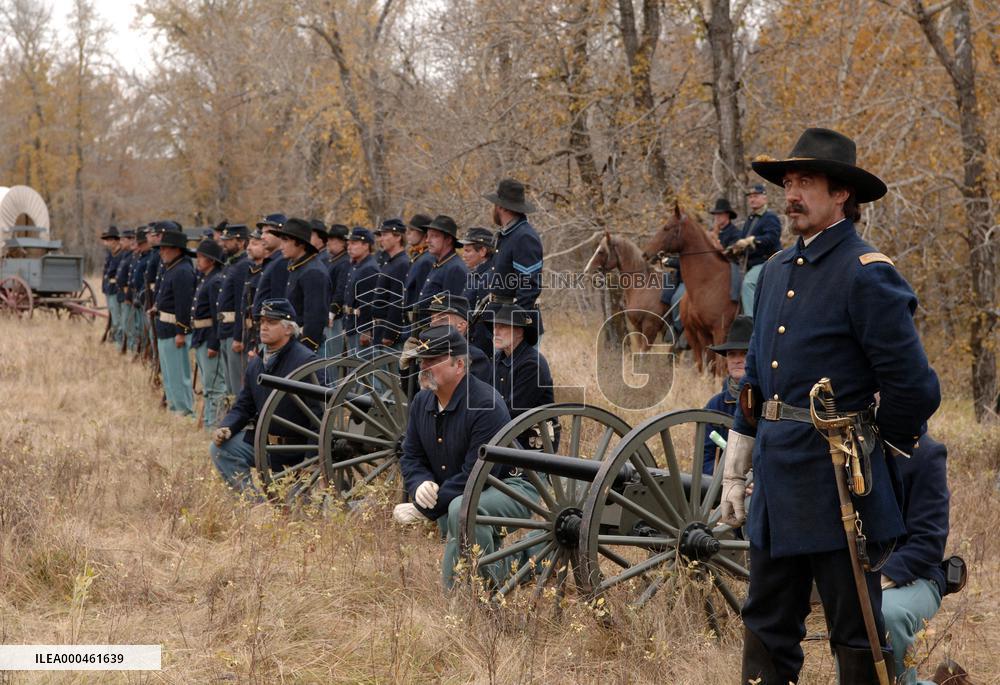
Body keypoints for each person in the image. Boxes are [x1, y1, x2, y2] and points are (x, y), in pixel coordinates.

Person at [719, 128, 941, 683]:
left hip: (839, 485)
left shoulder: (867, 272)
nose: (792, 194)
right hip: (775, 478)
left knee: (854, 632)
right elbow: (759, 382)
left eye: (806, 182)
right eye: (788, 183)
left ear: (841, 193)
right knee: (767, 623)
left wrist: (867, 443)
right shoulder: (772, 272)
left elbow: (914, 386)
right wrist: (739, 460)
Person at [393, 325, 538, 589]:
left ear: (459, 365)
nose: (424, 366)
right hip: (462, 492)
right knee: (463, 511)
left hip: (511, 487)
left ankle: (459, 597)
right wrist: (419, 485)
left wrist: (424, 508)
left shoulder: (485, 404)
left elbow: (477, 474)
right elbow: (411, 456)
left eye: (434, 360)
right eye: (423, 360)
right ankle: (505, 575)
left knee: (462, 510)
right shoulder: (420, 403)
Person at [881, 434, 973, 685]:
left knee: (887, 613)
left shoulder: (926, 453)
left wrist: (878, 576)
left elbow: (928, 544)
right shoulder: (848, 447)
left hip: (917, 576)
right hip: (856, 576)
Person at [210, 298, 319, 497]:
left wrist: (311, 459)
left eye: (272, 322)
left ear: (288, 329)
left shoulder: (306, 362)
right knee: (221, 449)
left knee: (300, 513)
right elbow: (244, 405)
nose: (264, 327)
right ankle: (253, 506)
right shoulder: (258, 362)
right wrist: (227, 426)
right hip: (265, 444)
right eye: (262, 322)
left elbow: (319, 415)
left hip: (296, 450)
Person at [481, 178, 544, 340]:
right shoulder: (508, 234)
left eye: (494, 204)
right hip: (502, 320)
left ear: (500, 207)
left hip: (515, 327)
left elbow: (529, 286)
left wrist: (512, 324)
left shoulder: (524, 237)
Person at [153, 228, 198, 417]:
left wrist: (181, 332)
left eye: (165, 248)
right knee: (170, 373)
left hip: (175, 330)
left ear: (177, 250)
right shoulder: (172, 268)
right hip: (164, 328)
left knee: (179, 374)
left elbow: (184, 305)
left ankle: (184, 410)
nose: (161, 252)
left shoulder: (183, 271)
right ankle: (174, 406)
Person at [700, 315, 751, 475]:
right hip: (723, 484)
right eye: (732, 354)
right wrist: (722, 477)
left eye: (744, 354)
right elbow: (704, 458)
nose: (737, 360)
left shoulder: (769, 399)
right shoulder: (715, 405)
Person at [272, 217, 331, 352]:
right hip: (294, 343)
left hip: (306, 348)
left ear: (300, 243)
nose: (281, 246)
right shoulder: (299, 267)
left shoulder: (313, 272)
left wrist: (306, 349)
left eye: (285, 240)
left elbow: (315, 318)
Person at [726, 183, 782, 316]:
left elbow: (772, 238)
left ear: (764, 198)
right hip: (751, 265)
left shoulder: (770, 217)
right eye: (750, 197)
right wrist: (735, 247)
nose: (752, 199)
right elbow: (742, 239)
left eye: (756, 196)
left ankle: (751, 323)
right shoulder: (750, 219)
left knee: (748, 283)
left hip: (767, 262)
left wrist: (753, 240)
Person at [490, 303, 553, 420]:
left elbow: (515, 410)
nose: (495, 332)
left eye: (503, 326)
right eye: (495, 326)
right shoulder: (497, 359)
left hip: (530, 434)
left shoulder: (532, 365)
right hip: (503, 427)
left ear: (519, 332)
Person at [190, 239, 226, 428]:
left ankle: (215, 424)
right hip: (200, 335)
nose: (198, 260)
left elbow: (216, 315)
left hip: (208, 337)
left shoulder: (215, 281)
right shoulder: (207, 278)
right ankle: (208, 422)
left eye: (201, 257)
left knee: (214, 386)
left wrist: (214, 343)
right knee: (207, 384)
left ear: (211, 260)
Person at [215, 223, 251, 394]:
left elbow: (241, 305)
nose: (223, 244)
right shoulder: (231, 264)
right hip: (225, 329)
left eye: (228, 240)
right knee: (230, 385)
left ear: (241, 242)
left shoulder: (243, 265)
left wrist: (239, 336)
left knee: (237, 386)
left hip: (234, 332)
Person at [373, 218, 410, 350]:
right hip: (380, 329)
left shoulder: (402, 264)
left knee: (388, 370)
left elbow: (397, 301)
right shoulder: (390, 262)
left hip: (390, 334)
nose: (380, 239)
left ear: (398, 237)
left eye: (384, 235)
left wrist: (390, 333)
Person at [458, 226, 495, 357]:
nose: (463, 255)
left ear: (483, 251)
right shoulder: (476, 274)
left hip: (483, 347)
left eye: (468, 251)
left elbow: (484, 319)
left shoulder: (491, 277)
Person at [416, 215, 468, 305]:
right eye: (427, 236)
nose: (427, 240)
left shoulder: (455, 269)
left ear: (448, 240)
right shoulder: (440, 263)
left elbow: (451, 310)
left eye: (434, 236)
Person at [342, 227, 379, 353]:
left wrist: (366, 330)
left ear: (366, 245)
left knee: (362, 368)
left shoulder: (369, 268)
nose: (349, 247)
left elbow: (368, 302)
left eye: (353, 243)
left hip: (360, 326)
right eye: (348, 244)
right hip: (352, 323)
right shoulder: (356, 265)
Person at [324, 223, 351, 358]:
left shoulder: (344, 262)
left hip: (336, 317)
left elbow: (341, 289)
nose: (328, 243)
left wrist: (332, 312)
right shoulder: (335, 260)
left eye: (333, 240)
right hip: (331, 313)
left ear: (342, 243)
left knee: (333, 357)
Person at [113, 229, 136, 349]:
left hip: (128, 294)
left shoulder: (132, 256)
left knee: (129, 324)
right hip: (122, 294)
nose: (120, 242)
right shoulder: (125, 255)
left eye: (123, 239)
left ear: (131, 240)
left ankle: (132, 348)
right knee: (124, 322)